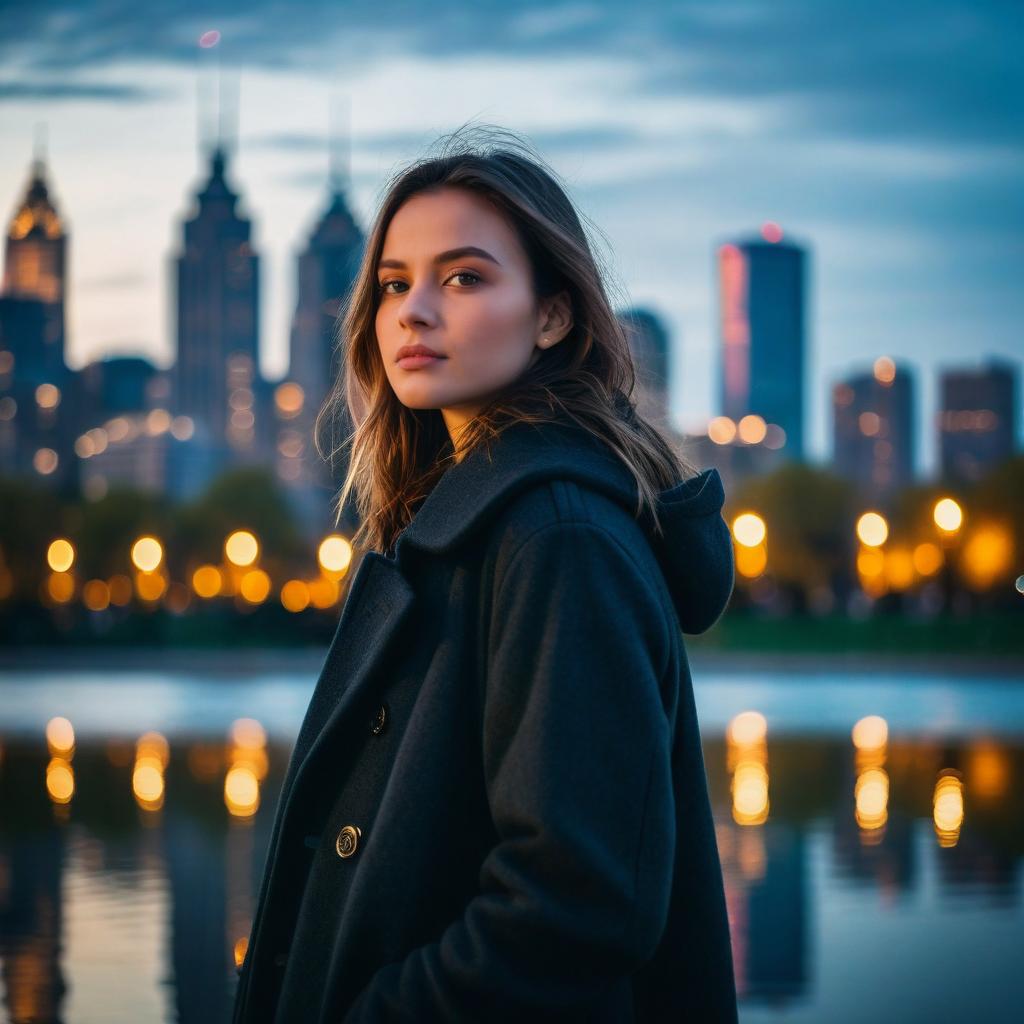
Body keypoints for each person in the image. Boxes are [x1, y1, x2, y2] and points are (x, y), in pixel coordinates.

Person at [232, 124, 738, 1023]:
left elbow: (574, 904)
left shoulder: (557, 538)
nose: (413, 312)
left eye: (463, 277)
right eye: (395, 284)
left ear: (553, 314)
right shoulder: (466, 525)